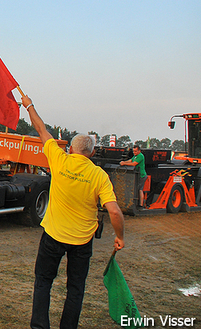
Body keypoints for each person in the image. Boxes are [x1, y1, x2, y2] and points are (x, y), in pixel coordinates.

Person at [21, 95, 125, 329]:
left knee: (43, 282)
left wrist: (28, 105)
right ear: (91, 153)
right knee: (75, 289)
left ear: (70, 148)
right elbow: (115, 212)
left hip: (53, 235)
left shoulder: (59, 159)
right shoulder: (99, 175)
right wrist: (120, 237)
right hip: (81, 241)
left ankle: (39, 326)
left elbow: (40, 128)